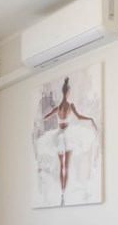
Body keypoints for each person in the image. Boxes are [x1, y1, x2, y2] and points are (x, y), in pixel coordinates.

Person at [40, 76, 97, 204]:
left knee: (62, 167)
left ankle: (62, 193)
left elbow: (45, 117)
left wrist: (48, 116)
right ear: (68, 92)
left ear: (62, 92)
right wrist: (91, 119)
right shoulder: (70, 106)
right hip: (67, 135)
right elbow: (79, 117)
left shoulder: (57, 108)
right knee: (66, 166)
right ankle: (63, 193)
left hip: (59, 135)